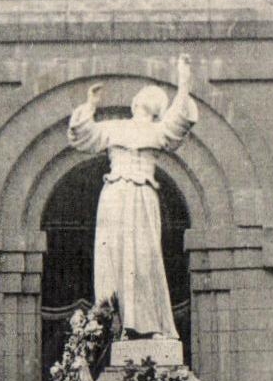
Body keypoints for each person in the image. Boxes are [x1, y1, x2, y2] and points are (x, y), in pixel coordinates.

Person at [67, 55, 198, 340]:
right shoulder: (115, 127)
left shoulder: (156, 130)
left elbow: (178, 122)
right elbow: (82, 136)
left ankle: (150, 325)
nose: (144, 102)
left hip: (142, 196)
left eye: (151, 101)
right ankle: (116, 324)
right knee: (114, 256)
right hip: (115, 195)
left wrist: (184, 83)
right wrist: (89, 106)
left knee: (144, 258)